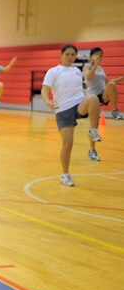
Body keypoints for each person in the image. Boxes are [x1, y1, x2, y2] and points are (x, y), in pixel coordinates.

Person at [42, 44, 101, 185]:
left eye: (72, 54)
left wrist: (89, 103)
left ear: (76, 56)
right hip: (63, 110)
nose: (70, 57)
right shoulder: (53, 71)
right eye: (67, 54)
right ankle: (65, 174)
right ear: (61, 55)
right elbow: (44, 90)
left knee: (93, 98)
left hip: (78, 104)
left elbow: (81, 89)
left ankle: (93, 131)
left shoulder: (76, 71)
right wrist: (48, 102)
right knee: (68, 143)